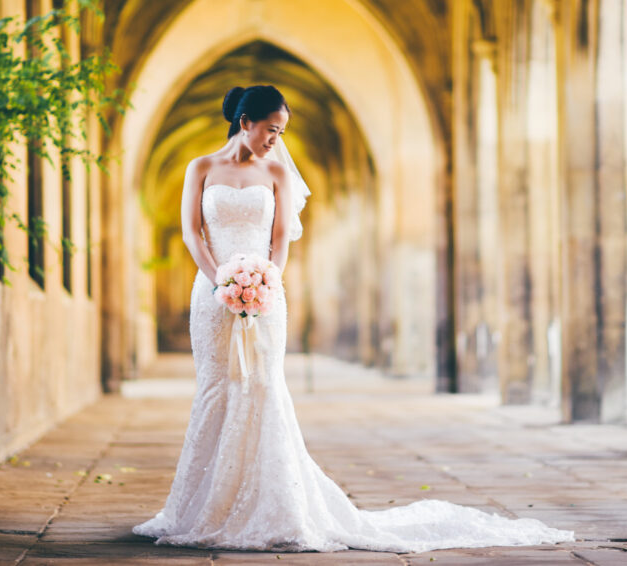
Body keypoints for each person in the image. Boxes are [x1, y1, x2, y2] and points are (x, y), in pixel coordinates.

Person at [132, 85, 575, 553]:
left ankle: (273, 506)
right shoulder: (200, 168)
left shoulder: (278, 172)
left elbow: (280, 240)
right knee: (217, 388)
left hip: (264, 294)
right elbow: (191, 232)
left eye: (280, 132)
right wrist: (222, 280)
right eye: (270, 130)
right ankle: (201, 507)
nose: (273, 140)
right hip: (211, 294)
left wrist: (265, 283)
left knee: (262, 387)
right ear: (245, 123)